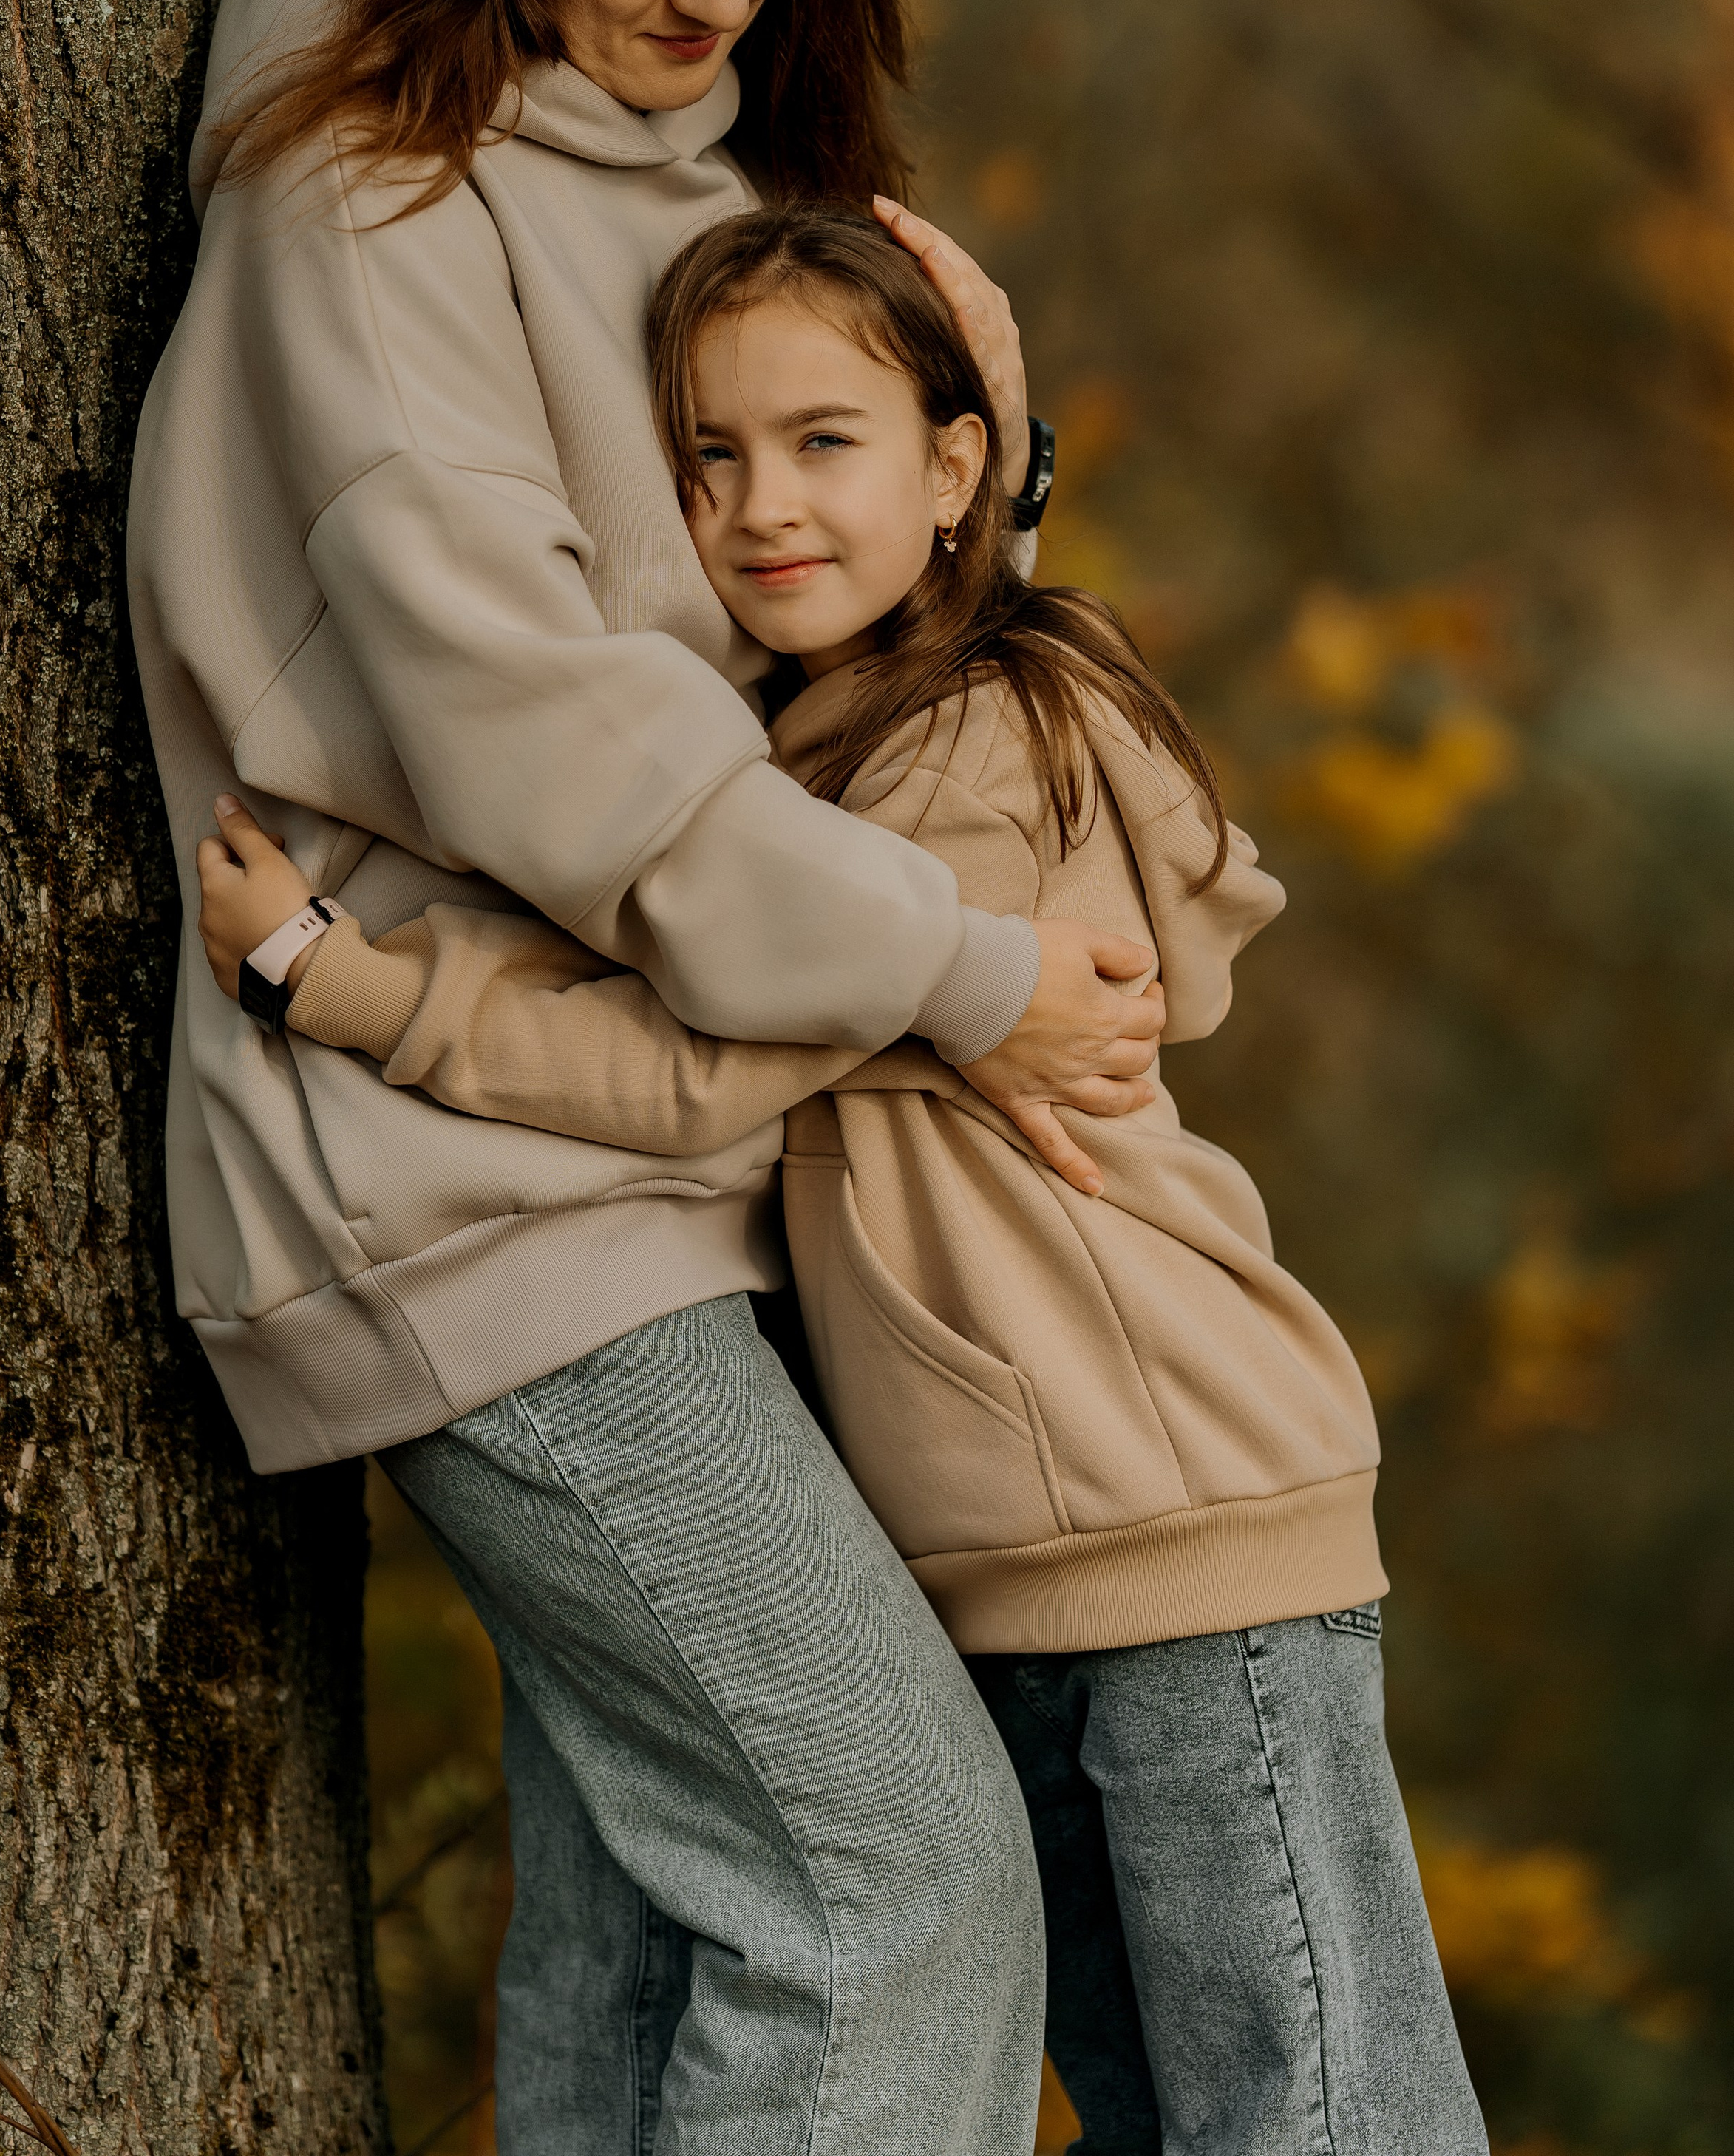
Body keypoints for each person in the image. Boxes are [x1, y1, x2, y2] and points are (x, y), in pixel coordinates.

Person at [127, 0, 1167, 2155]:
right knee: (906, 1886)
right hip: (472, 1190)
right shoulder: (372, 212)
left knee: (655, 1933)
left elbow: (845, 655)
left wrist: (983, 452)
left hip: (694, 1145)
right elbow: (565, 749)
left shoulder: (715, 173)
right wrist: (950, 968)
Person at [199, 205, 1489, 2156]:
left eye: (824, 443)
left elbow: (698, 1063)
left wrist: (349, 978)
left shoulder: (979, 745)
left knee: (1318, 2117)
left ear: (957, 462)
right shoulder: (819, 752)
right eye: (708, 457)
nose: (759, 506)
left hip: (1186, 1528)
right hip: (1021, 1572)